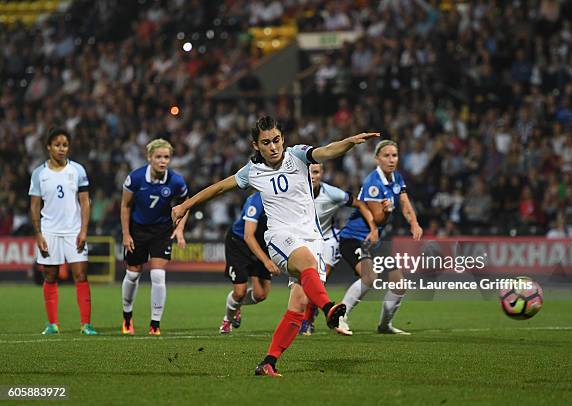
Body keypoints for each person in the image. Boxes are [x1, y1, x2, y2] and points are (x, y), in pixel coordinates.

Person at [172, 116, 379, 376]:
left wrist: (349, 142)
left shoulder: (299, 156)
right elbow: (219, 188)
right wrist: (184, 206)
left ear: (283, 139)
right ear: (256, 145)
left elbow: (326, 151)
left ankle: (268, 362)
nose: (273, 147)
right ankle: (328, 309)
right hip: (280, 237)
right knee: (306, 263)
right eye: (266, 142)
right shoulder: (251, 172)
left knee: (298, 305)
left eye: (277, 140)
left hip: (313, 238)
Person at [338, 140, 423, 336]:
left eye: (394, 155)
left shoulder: (397, 178)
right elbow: (377, 218)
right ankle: (340, 317)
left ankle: (385, 325)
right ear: (377, 158)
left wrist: (414, 223)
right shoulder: (373, 183)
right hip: (355, 237)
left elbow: (405, 203)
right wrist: (387, 211)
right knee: (369, 277)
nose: (391, 159)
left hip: (375, 241)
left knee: (399, 284)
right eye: (387, 155)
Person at [29, 127, 97, 335]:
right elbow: (34, 206)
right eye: (57, 145)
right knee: (50, 276)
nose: (61, 149)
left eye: (65, 145)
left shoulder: (77, 170)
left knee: (80, 275)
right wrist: (39, 234)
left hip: (73, 231)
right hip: (49, 231)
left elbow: (85, 203)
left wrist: (84, 230)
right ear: (48, 147)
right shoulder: (39, 173)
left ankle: (86, 324)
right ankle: (52, 324)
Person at [299, 163, 378, 335]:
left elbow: (360, 204)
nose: (313, 176)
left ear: (322, 174)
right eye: (310, 172)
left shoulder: (332, 193)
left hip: (328, 241)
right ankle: (310, 314)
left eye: (316, 172)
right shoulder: (296, 193)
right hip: (305, 241)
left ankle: (307, 320)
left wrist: (373, 228)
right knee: (305, 284)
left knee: (319, 280)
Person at [120, 138, 189, 336]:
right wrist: (126, 234)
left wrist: (180, 228)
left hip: (161, 230)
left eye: (166, 157)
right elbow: (125, 206)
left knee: (158, 275)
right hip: (138, 229)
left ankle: (155, 324)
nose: (163, 161)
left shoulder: (176, 181)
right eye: (158, 157)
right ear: (149, 158)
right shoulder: (135, 178)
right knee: (133, 274)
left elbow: (186, 204)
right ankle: (127, 318)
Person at [220, 191, 279, 334]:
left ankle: (237, 305)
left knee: (261, 295)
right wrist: (266, 261)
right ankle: (228, 319)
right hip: (239, 243)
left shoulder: (284, 201)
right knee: (240, 292)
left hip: (262, 244)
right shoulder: (256, 200)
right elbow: (248, 235)